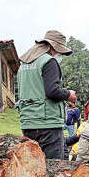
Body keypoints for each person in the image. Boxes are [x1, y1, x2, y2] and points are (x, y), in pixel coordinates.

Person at [17, 30, 77, 159]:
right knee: (54, 167)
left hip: (28, 122)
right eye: (59, 51)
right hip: (48, 123)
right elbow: (52, 91)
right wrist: (68, 95)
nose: (59, 55)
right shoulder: (49, 61)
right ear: (51, 47)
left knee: (32, 165)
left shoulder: (24, 64)